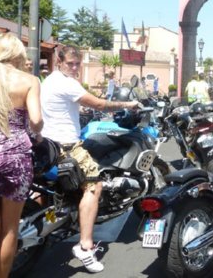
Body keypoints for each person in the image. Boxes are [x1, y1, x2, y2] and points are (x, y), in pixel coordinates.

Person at [40, 45, 138, 273]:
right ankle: (85, 245)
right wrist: (128, 104)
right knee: (95, 185)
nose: (74, 67)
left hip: (47, 144)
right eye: (70, 63)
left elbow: (68, 106)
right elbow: (100, 104)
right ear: (59, 61)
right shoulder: (67, 83)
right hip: (65, 145)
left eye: (77, 64)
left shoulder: (51, 81)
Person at [0, 32, 43, 278]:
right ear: (17, 53)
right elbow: (35, 120)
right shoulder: (29, 81)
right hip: (16, 158)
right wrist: (39, 134)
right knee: (9, 229)